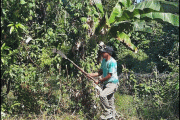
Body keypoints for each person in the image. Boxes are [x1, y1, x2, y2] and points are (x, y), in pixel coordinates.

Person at [88, 45, 119, 120]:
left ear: (108, 53)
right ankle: (112, 117)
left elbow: (109, 75)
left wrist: (99, 81)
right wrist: (90, 74)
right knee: (110, 103)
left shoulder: (112, 62)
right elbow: (100, 73)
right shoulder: (103, 61)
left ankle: (107, 113)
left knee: (102, 95)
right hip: (106, 84)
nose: (101, 54)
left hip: (113, 84)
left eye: (103, 53)